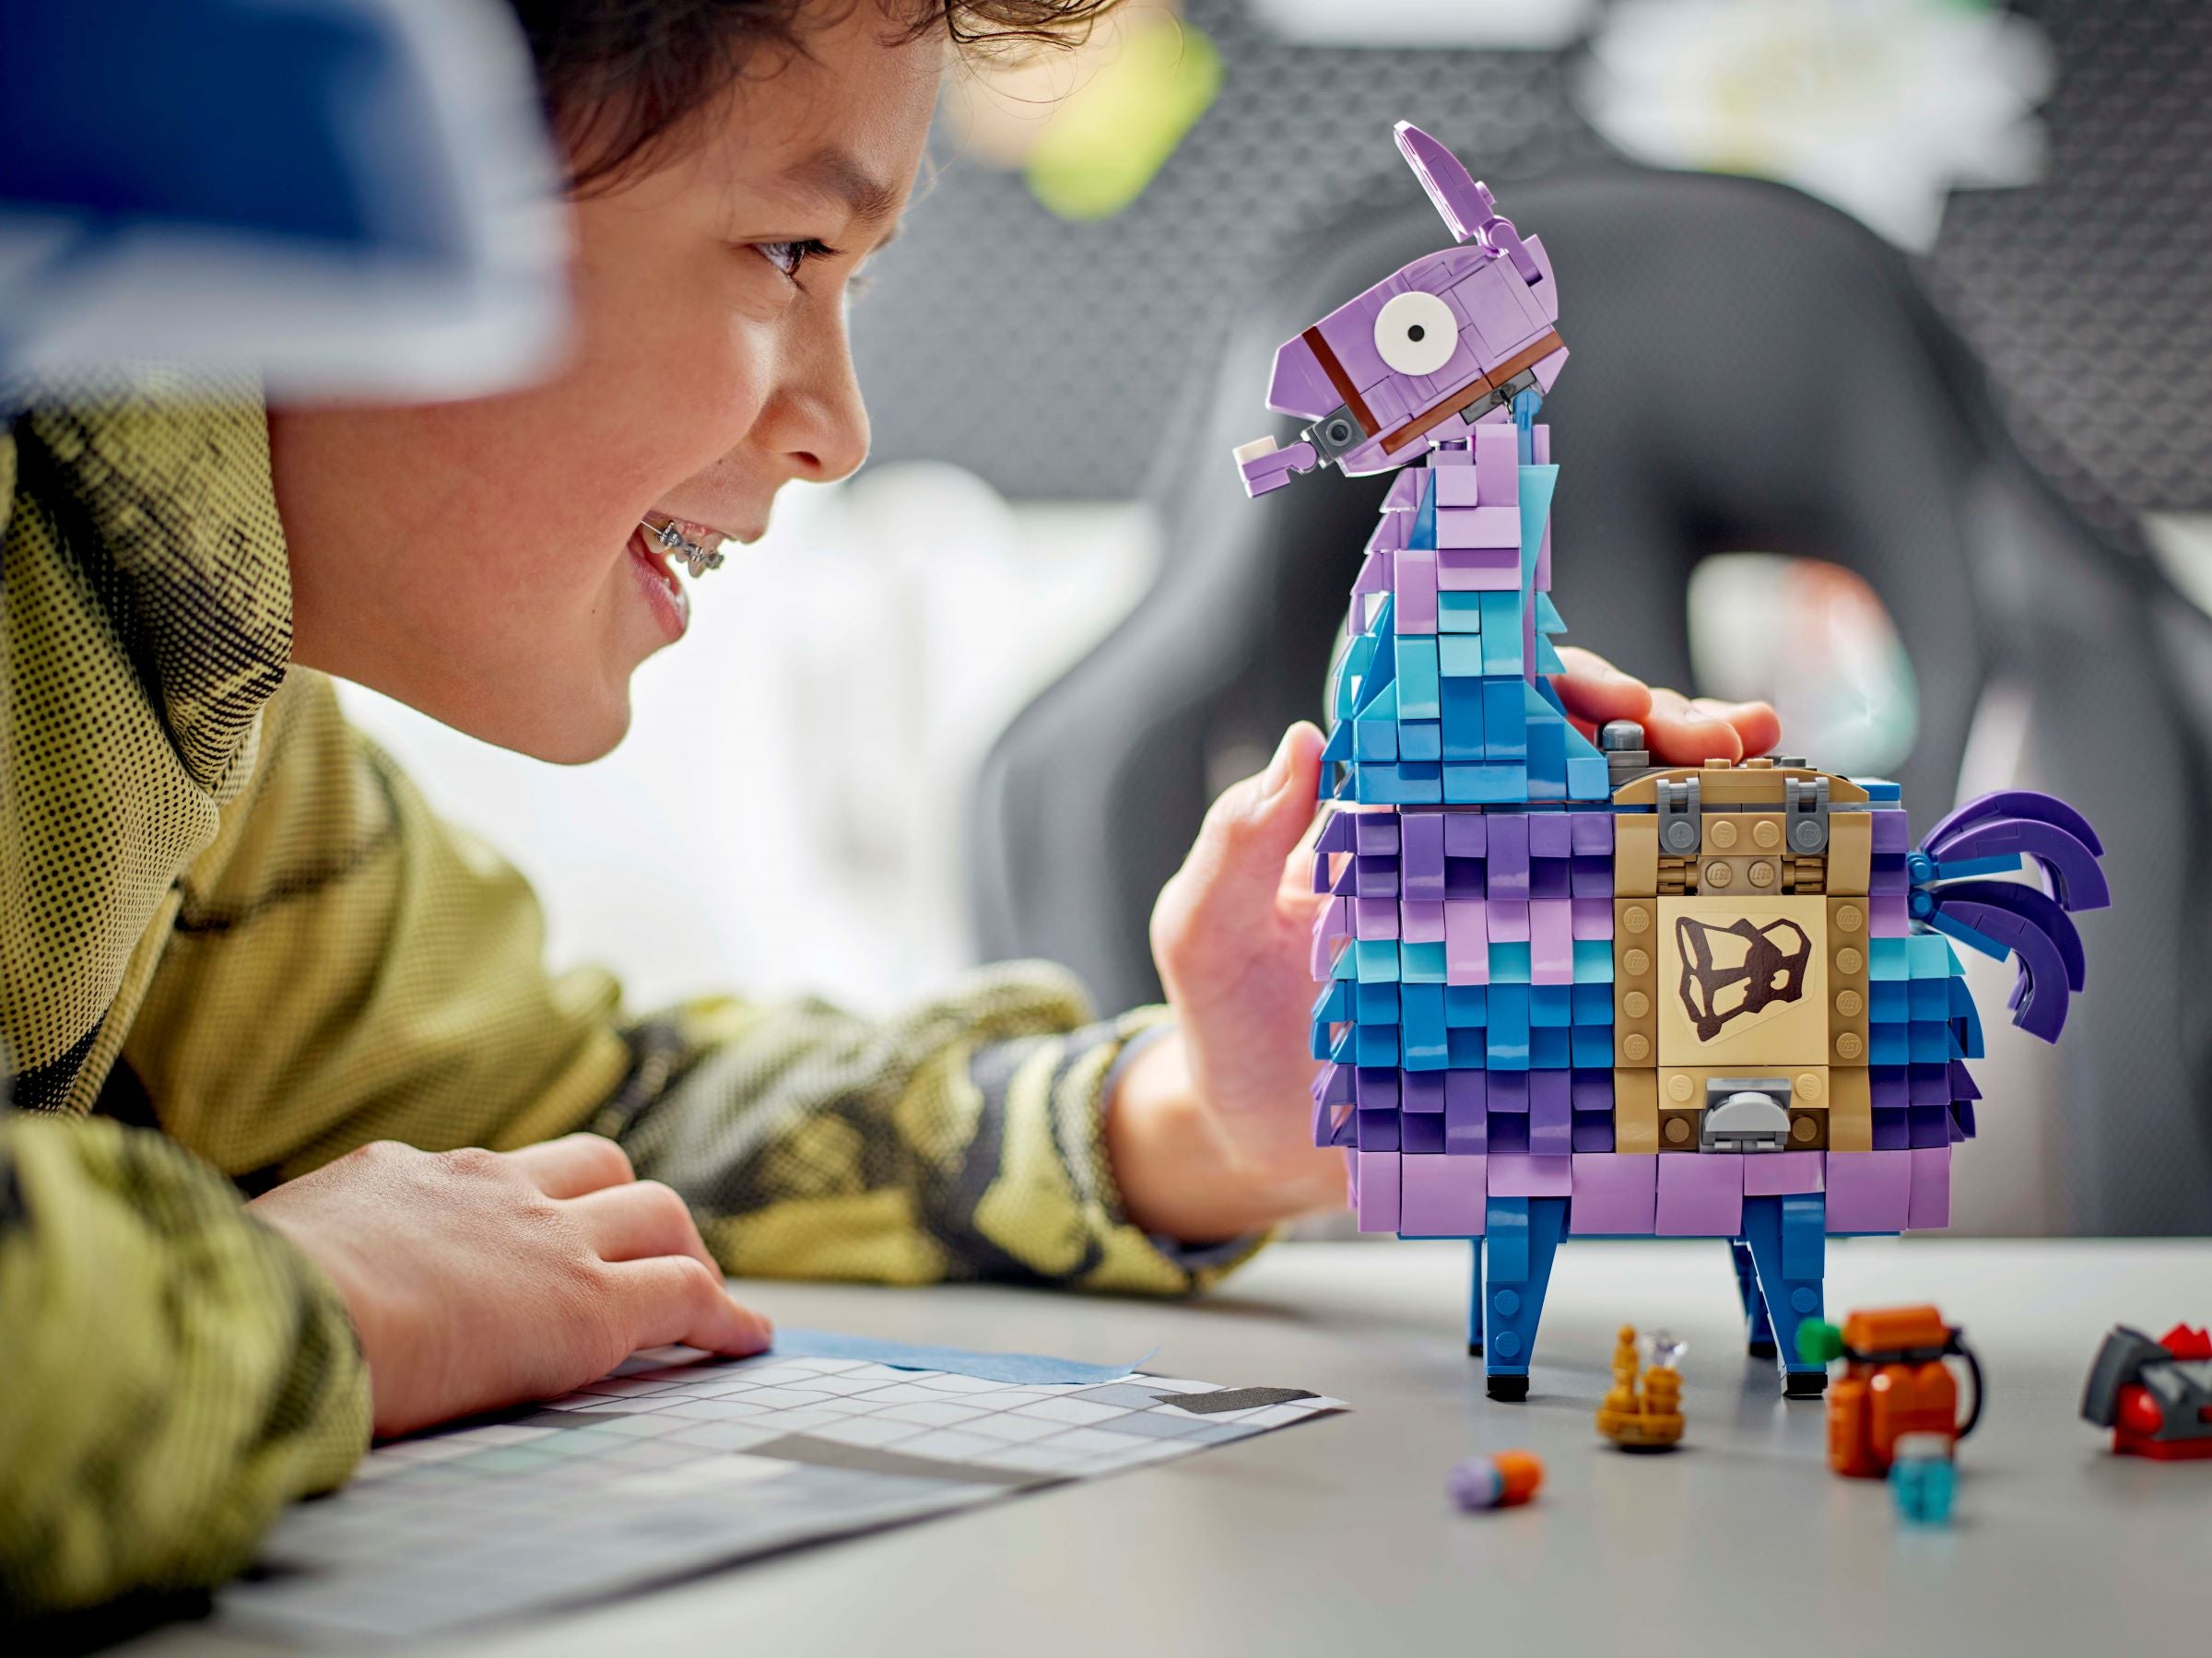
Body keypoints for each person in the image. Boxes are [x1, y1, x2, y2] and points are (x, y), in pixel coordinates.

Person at [0, 0, 1778, 1614]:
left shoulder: (200, 695)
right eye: (788, 247)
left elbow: (583, 1137)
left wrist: (1194, 1114)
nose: (842, 427)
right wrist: (297, 1311)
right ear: (385, 151)